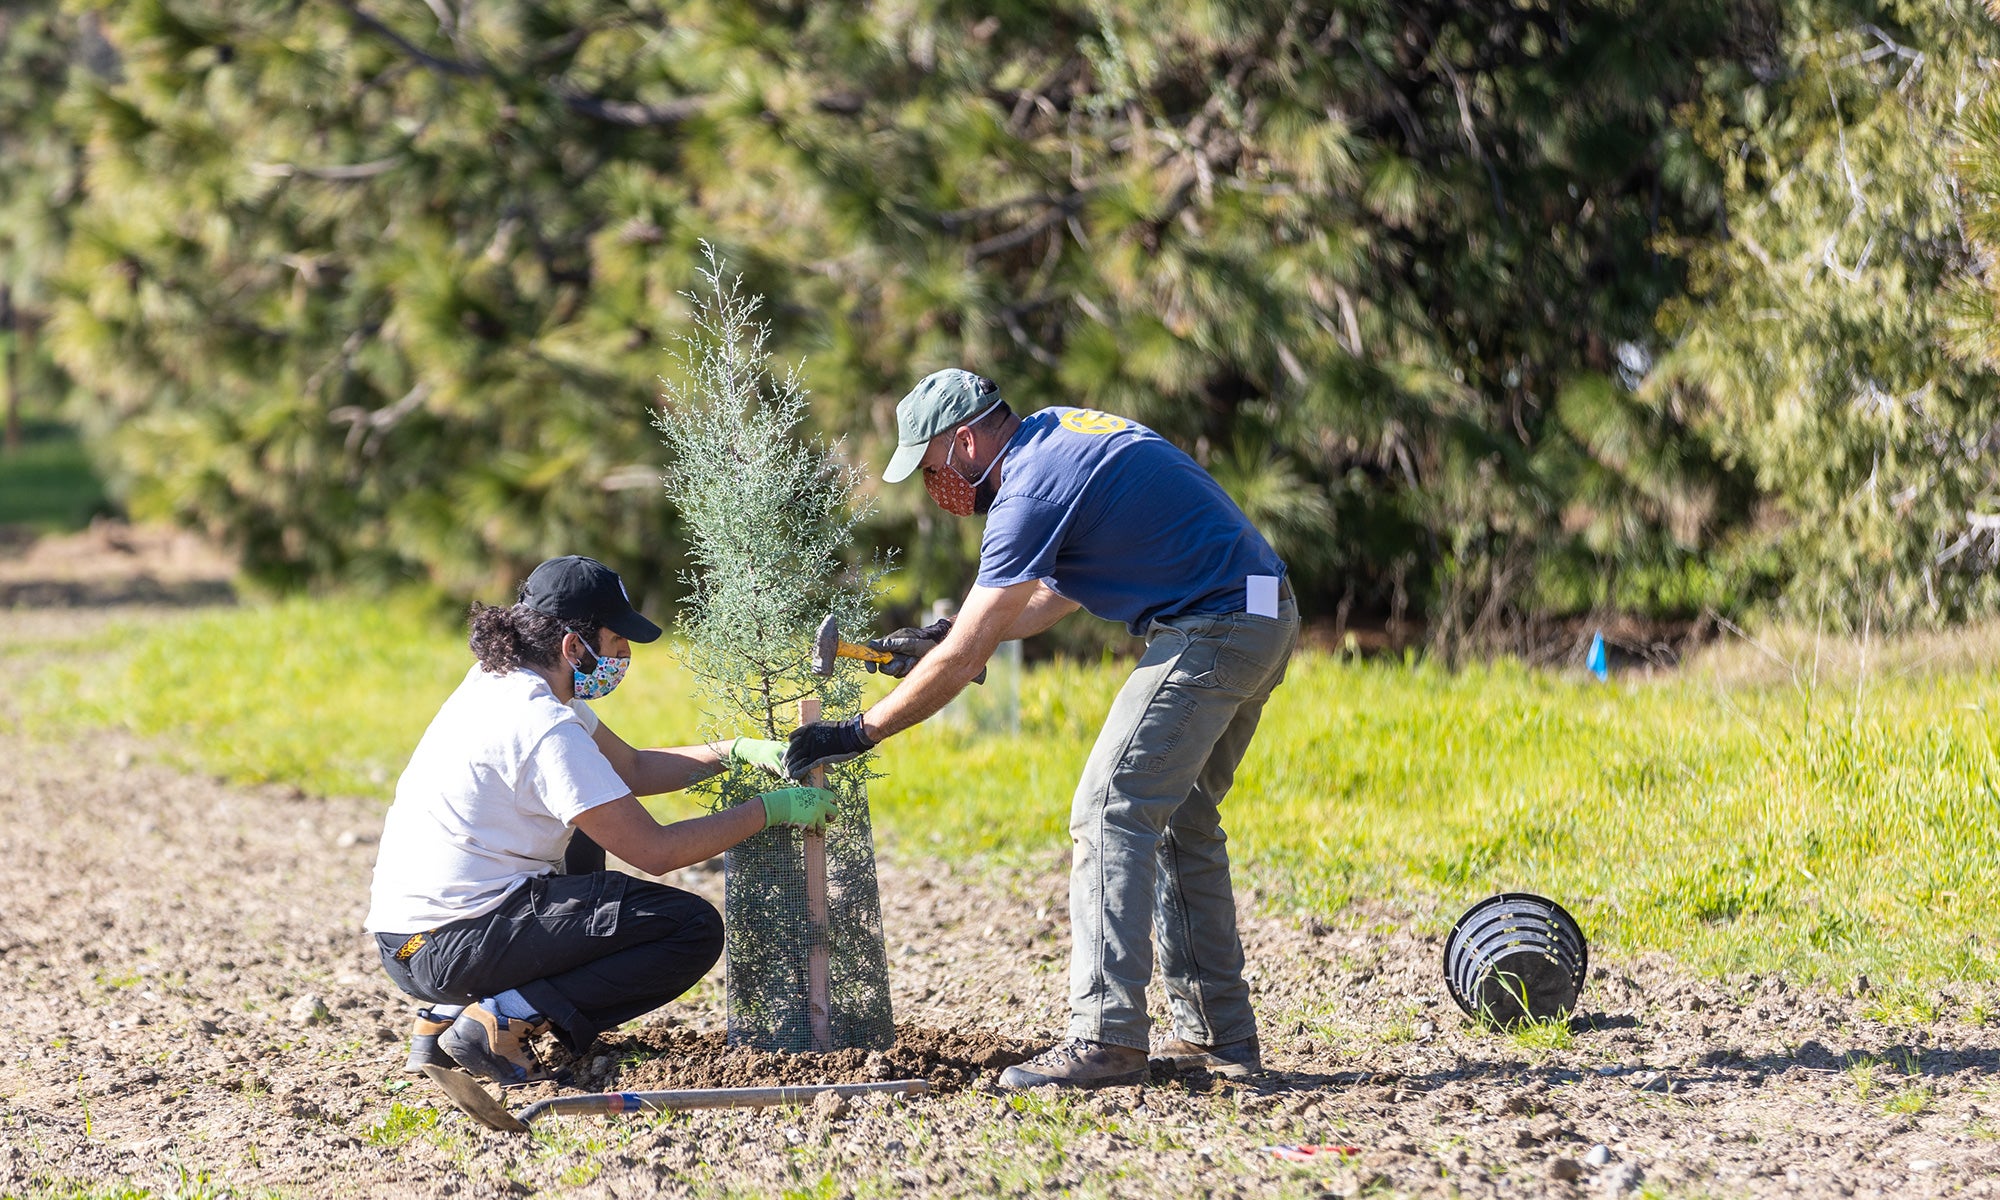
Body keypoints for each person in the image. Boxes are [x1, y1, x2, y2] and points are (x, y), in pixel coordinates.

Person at [787, 369, 1299, 1090]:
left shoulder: (1024, 490)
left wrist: (856, 732)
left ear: (964, 441)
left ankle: (1105, 1039)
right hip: (1263, 608)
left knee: (1110, 807)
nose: (937, 489)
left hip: (1216, 625)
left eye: (933, 469)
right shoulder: (1055, 434)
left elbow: (965, 662)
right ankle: (1220, 1038)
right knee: (1179, 818)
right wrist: (954, 632)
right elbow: (1053, 591)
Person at [364, 555, 836, 1086]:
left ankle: (441, 1022)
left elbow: (630, 767)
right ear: (572, 646)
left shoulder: (501, 682)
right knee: (689, 928)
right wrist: (769, 810)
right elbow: (656, 852)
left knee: (585, 841)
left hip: (405, 940)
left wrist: (734, 750)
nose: (625, 656)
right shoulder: (542, 725)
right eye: (617, 644)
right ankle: (502, 1019)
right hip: (452, 946)